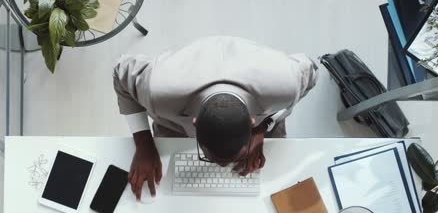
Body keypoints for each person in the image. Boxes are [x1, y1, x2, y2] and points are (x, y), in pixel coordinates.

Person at [113, 36, 318, 200]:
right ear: (194, 124)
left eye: (236, 156)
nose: (221, 168)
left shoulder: (286, 84)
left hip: (260, 101)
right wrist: (143, 144)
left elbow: (312, 70)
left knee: (278, 170)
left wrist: (263, 128)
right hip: (181, 83)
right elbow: (120, 72)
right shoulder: (157, 89)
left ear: (251, 123)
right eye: (210, 158)